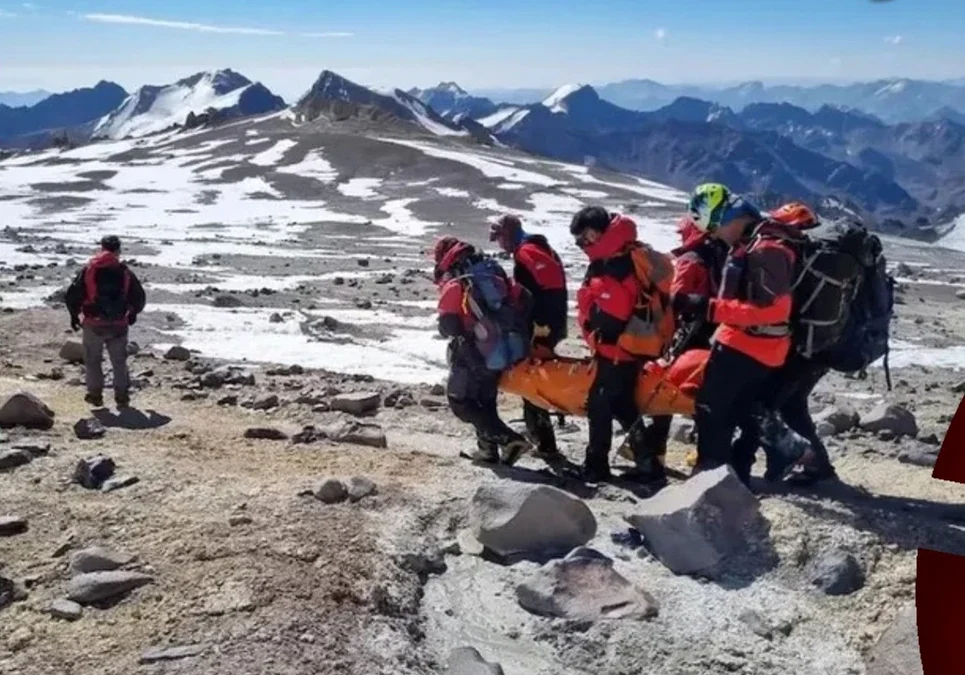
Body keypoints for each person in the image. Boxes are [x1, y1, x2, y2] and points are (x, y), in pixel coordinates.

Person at [675, 184, 807, 485]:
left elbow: (773, 310)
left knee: (713, 412)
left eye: (713, 227)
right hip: (758, 346)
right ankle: (745, 472)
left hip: (748, 345)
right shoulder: (762, 242)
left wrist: (709, 309)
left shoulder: (765, 250)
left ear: (726, 217)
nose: (713, 235)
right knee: (741, 408)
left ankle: (710, 480)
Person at [571, 206, 674, 483]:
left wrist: (591, 315)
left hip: (615, 349)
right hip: (630, 348)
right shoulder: (625, 254)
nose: (584, 244)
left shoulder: (614, 266)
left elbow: (613, 313)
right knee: (623, 405)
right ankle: (648, 463)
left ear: (598, 232)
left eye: (586, 237)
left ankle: (597, 466)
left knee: (600, 406)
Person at [434, 236, 534, 466]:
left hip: (473, 352)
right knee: (485, 402)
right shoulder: (493, 272)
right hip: (501, 348)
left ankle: (510, 440)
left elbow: (449, 326)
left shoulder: (459, 279)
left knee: (461, 402)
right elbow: (524, 298)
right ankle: (488, 451)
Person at [761, 202, 838, 486]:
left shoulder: (799, 259)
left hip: (800, 347)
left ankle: (785, 462)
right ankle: (818, 466)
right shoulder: (828, 263)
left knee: (767, 403)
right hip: (825, 346)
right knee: (792, 404)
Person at [489, 214, 568, 459]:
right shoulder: (535, 249)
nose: (499, 244)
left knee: (533, 380)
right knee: (534, 378)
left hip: (540, 327)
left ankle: (546, 443)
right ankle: (542, 438)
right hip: (545, 325)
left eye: (499, 238)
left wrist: (542, 324)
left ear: (508, 234)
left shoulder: (527, 253)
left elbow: (548, 292)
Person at [65, 235, 146, 409]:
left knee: (93, 360)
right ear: (119, 250)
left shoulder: (89, 269)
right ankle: (122, 397)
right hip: (118, 324)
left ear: (102, 248)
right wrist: (133, 314)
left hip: (93, 323)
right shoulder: (125, 271)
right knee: (119, 361)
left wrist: (74, 315)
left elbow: (72, 294)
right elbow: (139, 297)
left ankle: (95, 395)